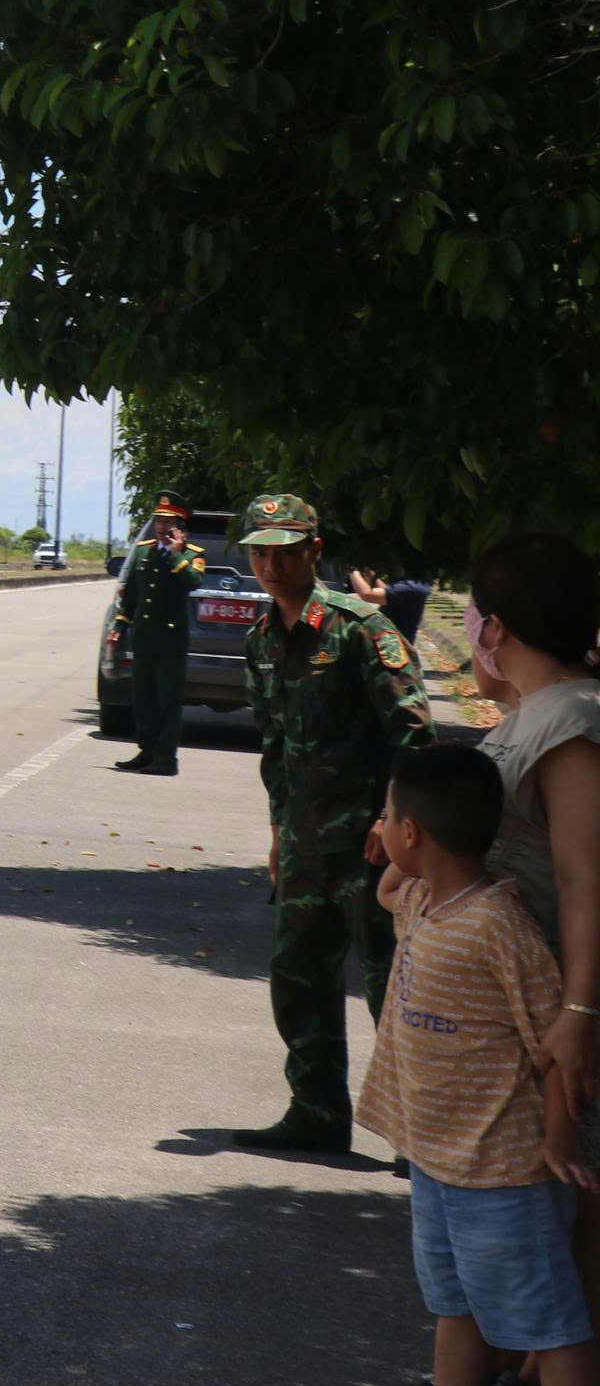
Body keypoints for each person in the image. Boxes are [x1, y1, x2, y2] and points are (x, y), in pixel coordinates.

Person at [357, 743, 598, 1386]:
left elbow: (554, 1044)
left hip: (502, 1175)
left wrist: (557, 1141)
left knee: (551, 1327)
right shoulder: (421, 901)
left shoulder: (498, 923)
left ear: (413, 830)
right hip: (438, 1163)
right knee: (454, 1305)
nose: (379, 823)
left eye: (387, 813)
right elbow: (387, 887)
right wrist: (388, 847)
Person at [232, 492, 439, 1152]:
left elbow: (414, 731)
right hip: (303, 844)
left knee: (389, 989)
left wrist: (394, 818)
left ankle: (419, 1136)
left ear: (313, 551)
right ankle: (317, 1111)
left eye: (284, 551)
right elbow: (275, 747)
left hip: (372, 846)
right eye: (260, 551)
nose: (270, 564)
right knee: (297, 977)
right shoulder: (260, 640)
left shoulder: (361, 629)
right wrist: (276, 832)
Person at [472, 535, 600, 1311]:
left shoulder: (573, 719)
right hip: (525, 1010)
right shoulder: (541, 711)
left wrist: (580, 1013)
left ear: (495, 629)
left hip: (562, 1007)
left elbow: (587, 876)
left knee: (574, 1191)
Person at [110, 492, 208, 776]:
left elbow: (193, 581)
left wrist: (176, 555)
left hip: (171, 641)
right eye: (158, 520)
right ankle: (147, 751)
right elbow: (131, 598)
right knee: (143, 698)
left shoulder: (192, 556)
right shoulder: (143, 550)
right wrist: (119, 628)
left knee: (167, 698)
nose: (162, 526)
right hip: (144, 638)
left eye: (169, 521)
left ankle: (166, 758)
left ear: (180, 526)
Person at [353, 568, 434, 651]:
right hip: (392, 643)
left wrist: (353, 570)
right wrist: (370, 574)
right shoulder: (415, 584)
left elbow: (367, 595)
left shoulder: (411, 587)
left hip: (393, 648)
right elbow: (388, 591)